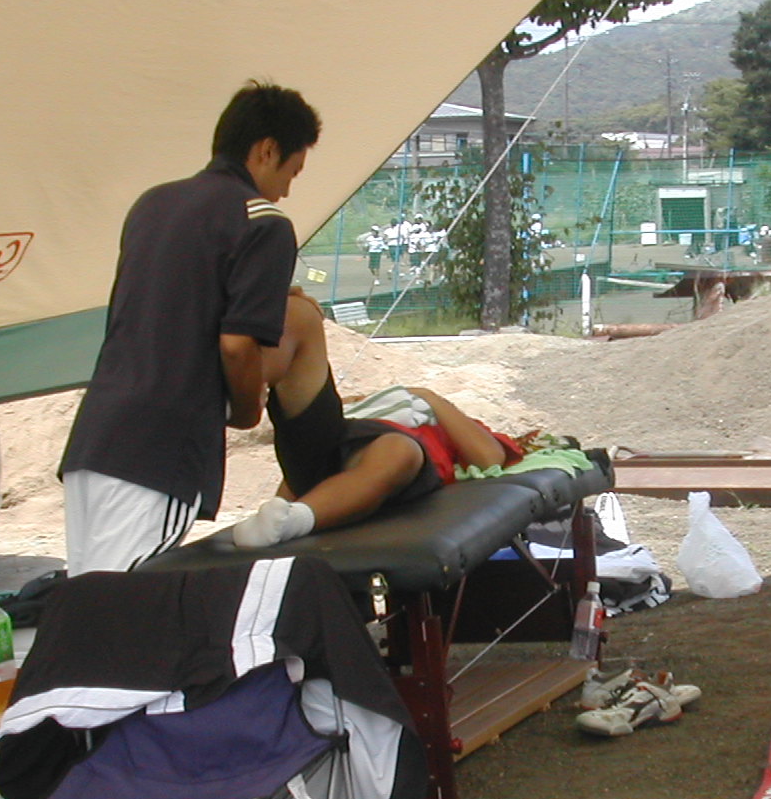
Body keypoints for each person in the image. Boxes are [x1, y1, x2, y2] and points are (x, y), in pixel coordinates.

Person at [58, 81, 321, 575]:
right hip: (161, 447)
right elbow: (237, 344)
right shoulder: (264, 223)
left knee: (88, 597)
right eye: (292, 171)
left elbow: (180, 295)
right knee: (129, 601)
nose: (286, 189)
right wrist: (248, 409)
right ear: (267, 150)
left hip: (98, 436)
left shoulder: (153, 205)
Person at [230, 291, 519, 548]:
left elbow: (489, 458)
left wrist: (427, 396)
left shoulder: (440, 423)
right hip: (344, 433)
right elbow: (305, 470)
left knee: (397, 451)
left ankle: (294, 520)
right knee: (298, 312)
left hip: (387, 451)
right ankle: (236, 372)